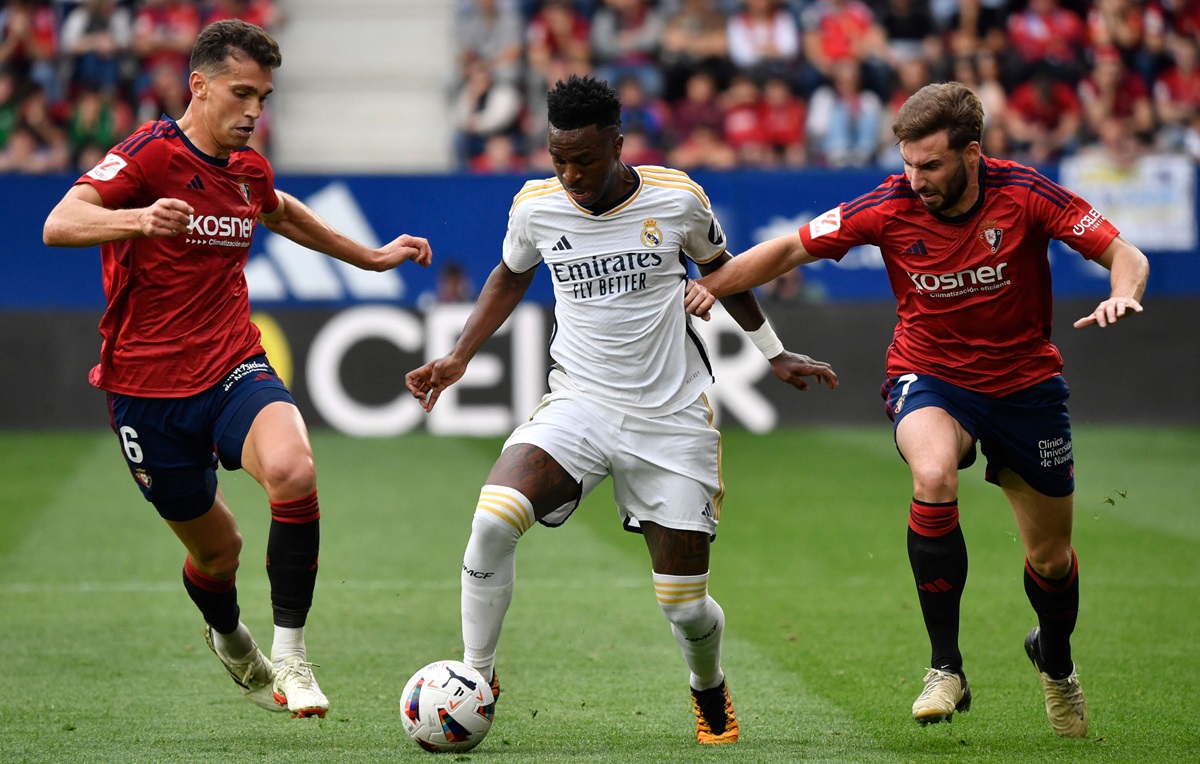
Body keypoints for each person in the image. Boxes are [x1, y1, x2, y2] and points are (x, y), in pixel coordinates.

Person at [693, 81, 1149, 739]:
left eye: (929, 165)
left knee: (1050, 559)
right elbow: (792, 248)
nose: (915, 179)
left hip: (1025, 390)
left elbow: (1122, 253)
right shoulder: (888, 203)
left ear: (972, 153)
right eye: (907, 163)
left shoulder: (1025, 193)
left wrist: (1123, 293)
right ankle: (946, 667)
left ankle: (1055, 661)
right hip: (928, 375)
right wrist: (709, 285)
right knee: (933, 474)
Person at [405, 74, 837, 745]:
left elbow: (728, 270)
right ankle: (478, 679)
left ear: (617, 143)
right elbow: (511, 274)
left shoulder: (678, 198)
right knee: (492, 520)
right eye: (559, 160)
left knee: (684, 607)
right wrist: (460, 355)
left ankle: (707, 687)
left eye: (586, 159)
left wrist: (774, 353)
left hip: (671, 420)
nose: (572, 174)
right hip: (578, 403)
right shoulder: (537, 208)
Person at [42, 20, 432, 718]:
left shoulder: (248, 168)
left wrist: (371, 257)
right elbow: (60, 221)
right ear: (200, 85)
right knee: (219, 552)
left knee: (295, 470)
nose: (255, 112)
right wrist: (137, 222)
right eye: (242, 94)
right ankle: (228, 634)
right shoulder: (148, 156)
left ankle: (291, 655)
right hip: (145, 392)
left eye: (265, 98)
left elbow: (279, 211)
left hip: (231, 363)